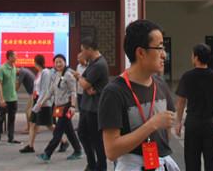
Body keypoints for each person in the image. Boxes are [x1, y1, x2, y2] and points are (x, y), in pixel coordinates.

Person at [99, 19, 179, 171]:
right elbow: (111, 150)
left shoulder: (161, 85)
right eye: (159, 48)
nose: (164, 54)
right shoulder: (114, 92)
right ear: (141, 52)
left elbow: (166, 131)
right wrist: (152, 124)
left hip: (160, 164)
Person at [175, 43, 213, 171]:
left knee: (192, 160)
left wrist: (178, 122)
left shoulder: (187, 76)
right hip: (210, 122)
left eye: (192, 55)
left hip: (193, 123)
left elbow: (181, 102)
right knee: (212, 160)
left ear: (196, 58)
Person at [36, 54, 83, 163]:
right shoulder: (57, 75)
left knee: (58, 131)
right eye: (56, 62)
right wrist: (41, 102)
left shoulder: (68, 75)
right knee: (69, 130)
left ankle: (47, 153)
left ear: (65, 62)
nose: (58, 64)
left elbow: (73, 92)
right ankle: (78, 150)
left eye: (60, 61)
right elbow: (51, 91)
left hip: (67, 107)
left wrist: (73, 106)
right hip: (59, 107)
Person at [77, 37, 109, 171]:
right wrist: (84, 82)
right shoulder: (92, 63)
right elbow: (85, 81)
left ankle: (100, 166)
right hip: (87, 106)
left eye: (83, 50)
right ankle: (92, 164)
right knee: (82, 133)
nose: (81, 53)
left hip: (94, 108)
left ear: (89, 49)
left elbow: (84, 83)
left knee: (96, 140)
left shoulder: (99, 64)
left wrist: (80, 78)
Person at [20, 54, 53, 153]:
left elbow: (44, 90)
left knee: (49, 125)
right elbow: (37, 88)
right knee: (32, 123)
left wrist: (39, 104)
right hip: (37, 99)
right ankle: (30, 146)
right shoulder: (39, 73)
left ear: (36, 62)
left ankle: (63, 141)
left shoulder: (46, 72)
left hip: (43, 102)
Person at [0, 50, 20, 144]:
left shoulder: (14, 67)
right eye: (15, 56)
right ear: (9, 57)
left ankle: (11, 137)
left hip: (13, 97)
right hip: (4, 98)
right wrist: (1, 98)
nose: (16, 58)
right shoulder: (2, 68)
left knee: (11, 119)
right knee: (1, 118)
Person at [17, 66, 35, 133]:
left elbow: (18, 84)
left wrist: (13, 93)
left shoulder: (22, 72)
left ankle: (30, 129)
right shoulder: (25, 70)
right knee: (31, 111)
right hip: (33, 93)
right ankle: (31, 128)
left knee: (28, 111)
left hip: (34, 93)